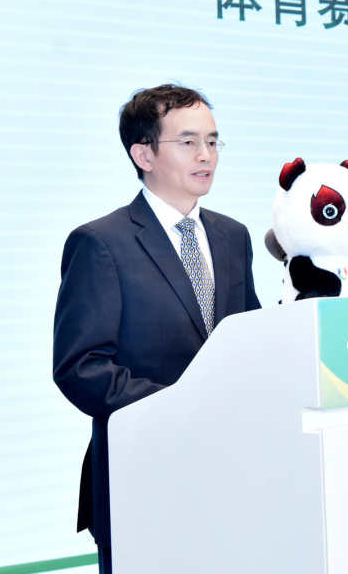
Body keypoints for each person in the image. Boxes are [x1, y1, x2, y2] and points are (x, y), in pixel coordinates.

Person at [52, 84, 261, 573]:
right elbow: (80, 367)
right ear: (143, 154)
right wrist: (182, 406)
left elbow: (247, 343)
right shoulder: (101, 243)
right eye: (188, 142)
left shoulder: (233, 236)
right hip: (142, 476)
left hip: (230, 473)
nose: (206, 154)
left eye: (213, 141)